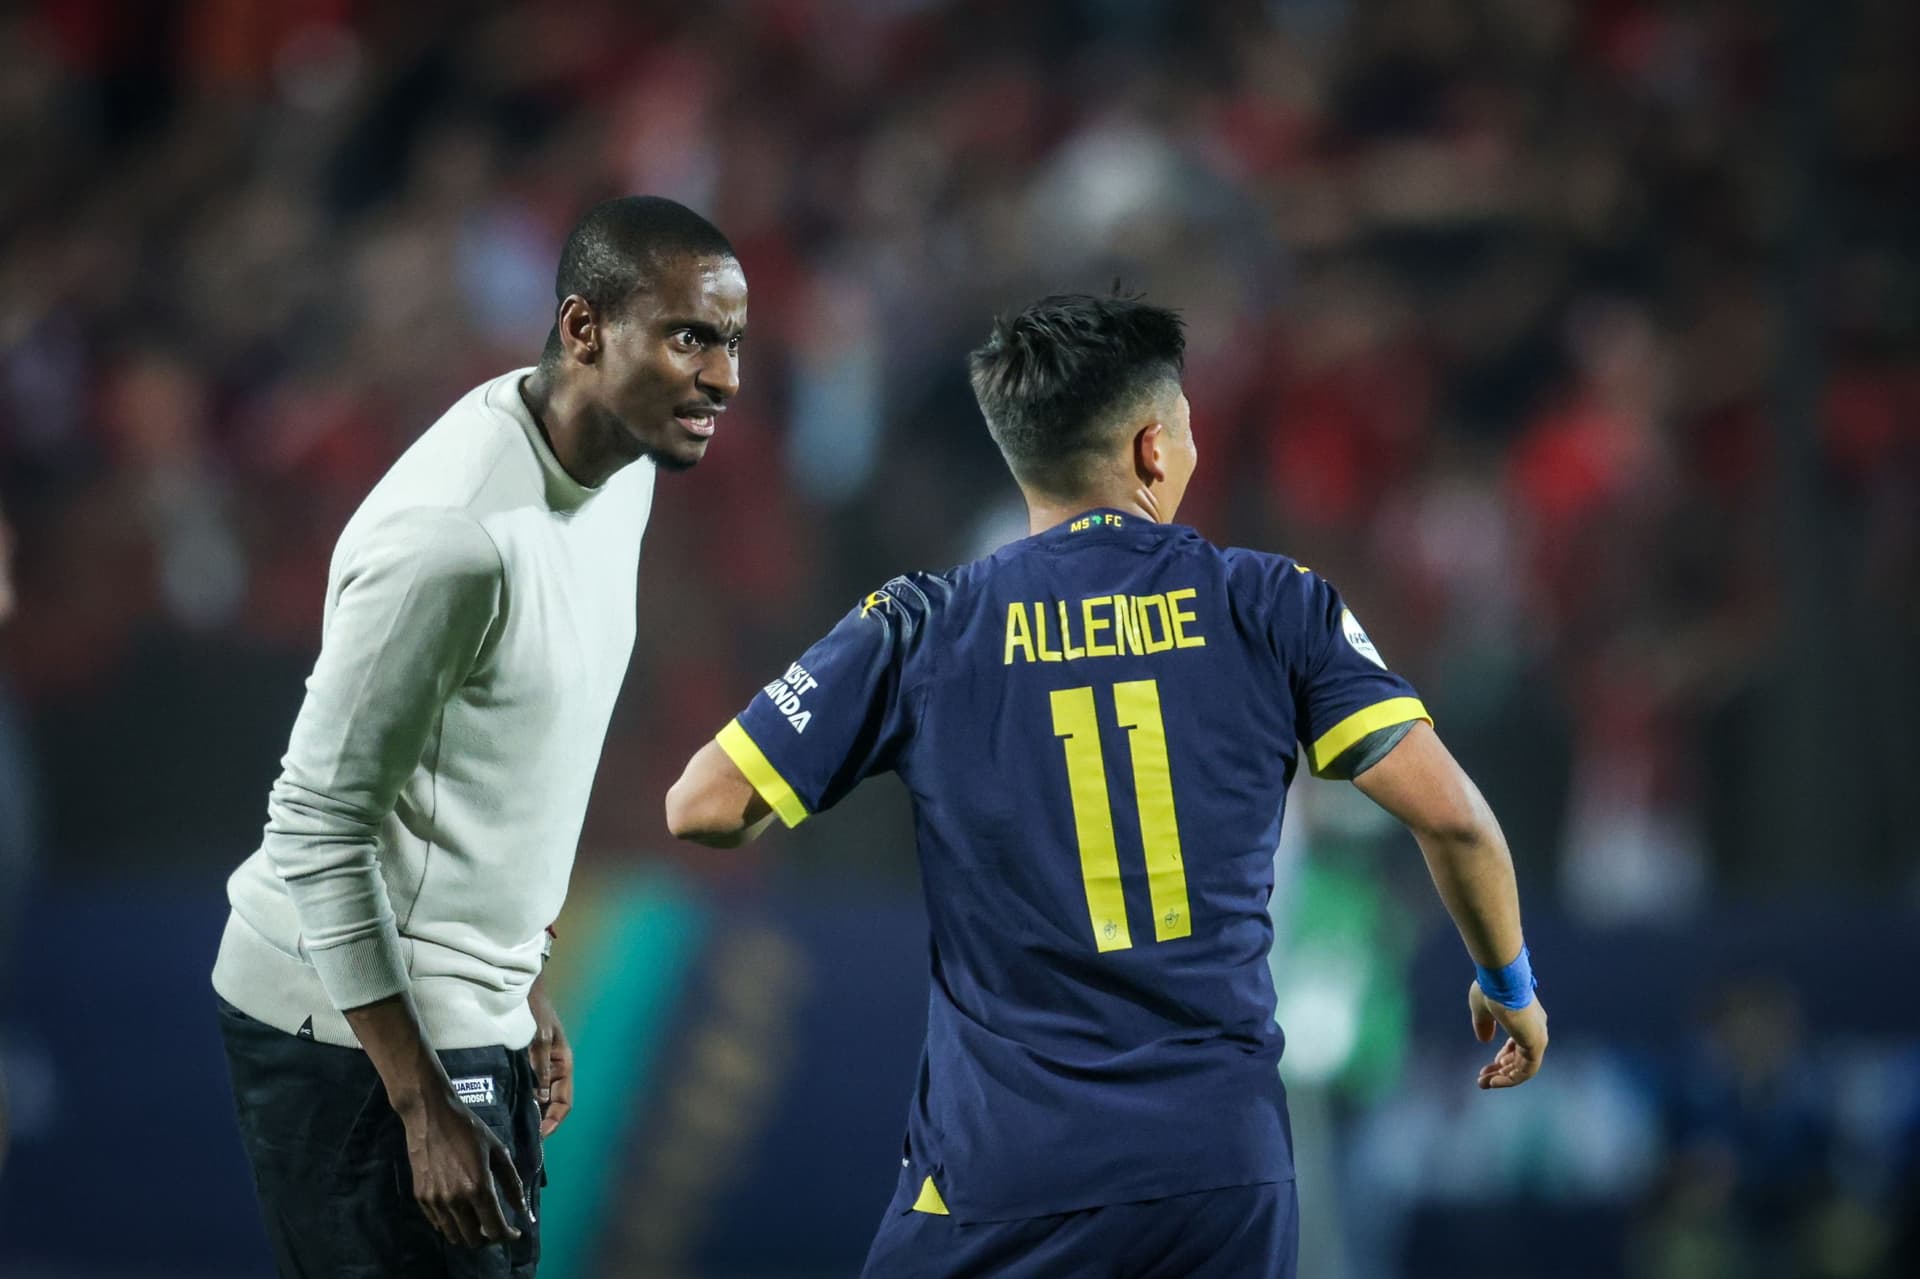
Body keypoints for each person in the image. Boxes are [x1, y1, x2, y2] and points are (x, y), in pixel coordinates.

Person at [665, 294, 1547, 1278]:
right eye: (1188, 428)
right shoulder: (1272, 605)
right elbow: (1459, 823)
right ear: (1151, 450)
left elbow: (701, 805)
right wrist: (1509, 984)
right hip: (1223, 1173)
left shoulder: (926, 626)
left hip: (1005, 1170)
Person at [213, 195, 746, 1277]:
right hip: (349, 1033)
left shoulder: (624, 469)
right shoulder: (451, 541)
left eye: (733, 344)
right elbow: (318, 824)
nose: (724, 379)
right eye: (691, 336)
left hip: (458, 1000)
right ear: (584, 330)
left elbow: (482, 767)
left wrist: (516, 983)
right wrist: (419, 1102)